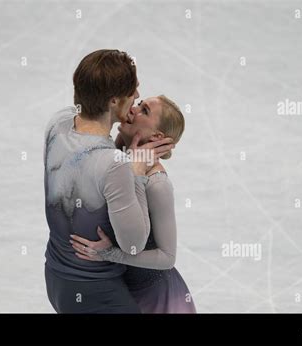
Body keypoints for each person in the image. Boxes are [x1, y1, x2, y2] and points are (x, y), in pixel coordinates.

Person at [43, 49, 174, 313]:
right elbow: (133, 244)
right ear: (114, 101)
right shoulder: (116, 166)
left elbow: (88, 163)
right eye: (132, 91)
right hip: (97, 294)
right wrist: (136, 171)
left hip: (56, 278)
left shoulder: (57, 125)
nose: (136, 97)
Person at [70, 95, 196, 313]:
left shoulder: (157, 185)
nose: (133, 110)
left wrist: (110, 254)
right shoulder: (118, 156)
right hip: (119, 290)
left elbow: (167, 258)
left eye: (144, 110)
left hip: (156, 300)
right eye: (138, 104)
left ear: (157, 136)